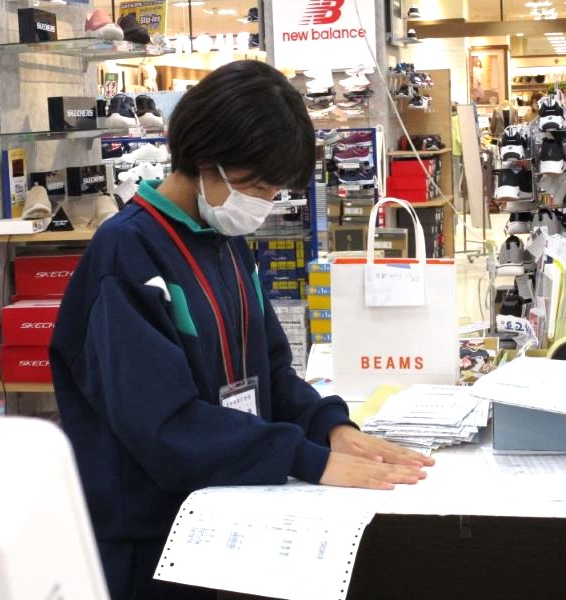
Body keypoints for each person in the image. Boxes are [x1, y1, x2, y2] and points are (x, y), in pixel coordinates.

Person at [49, 60, 434, 600]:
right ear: (206, 160)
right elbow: (163, 425)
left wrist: (328, 427)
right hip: (151, 543)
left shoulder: (227, 241)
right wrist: (305, 458)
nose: (265, 202)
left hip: (230, 512)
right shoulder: (126, 256)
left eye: (275, 189)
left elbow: (271, 368)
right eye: (257, 185)